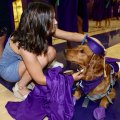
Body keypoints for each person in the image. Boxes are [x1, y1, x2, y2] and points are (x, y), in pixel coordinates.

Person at [0, 2, 85, 100]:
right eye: (52, 19)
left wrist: (88, 38)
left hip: (21, 63)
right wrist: (70, 79)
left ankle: (30, 77)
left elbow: (70, 35)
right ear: (41, 22)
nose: (56, 22)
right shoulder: (24, 45)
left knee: (51, 51)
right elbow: (40, 79)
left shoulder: (35, 30)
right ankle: (20, 87)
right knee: (42, 58)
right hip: (8, 71)